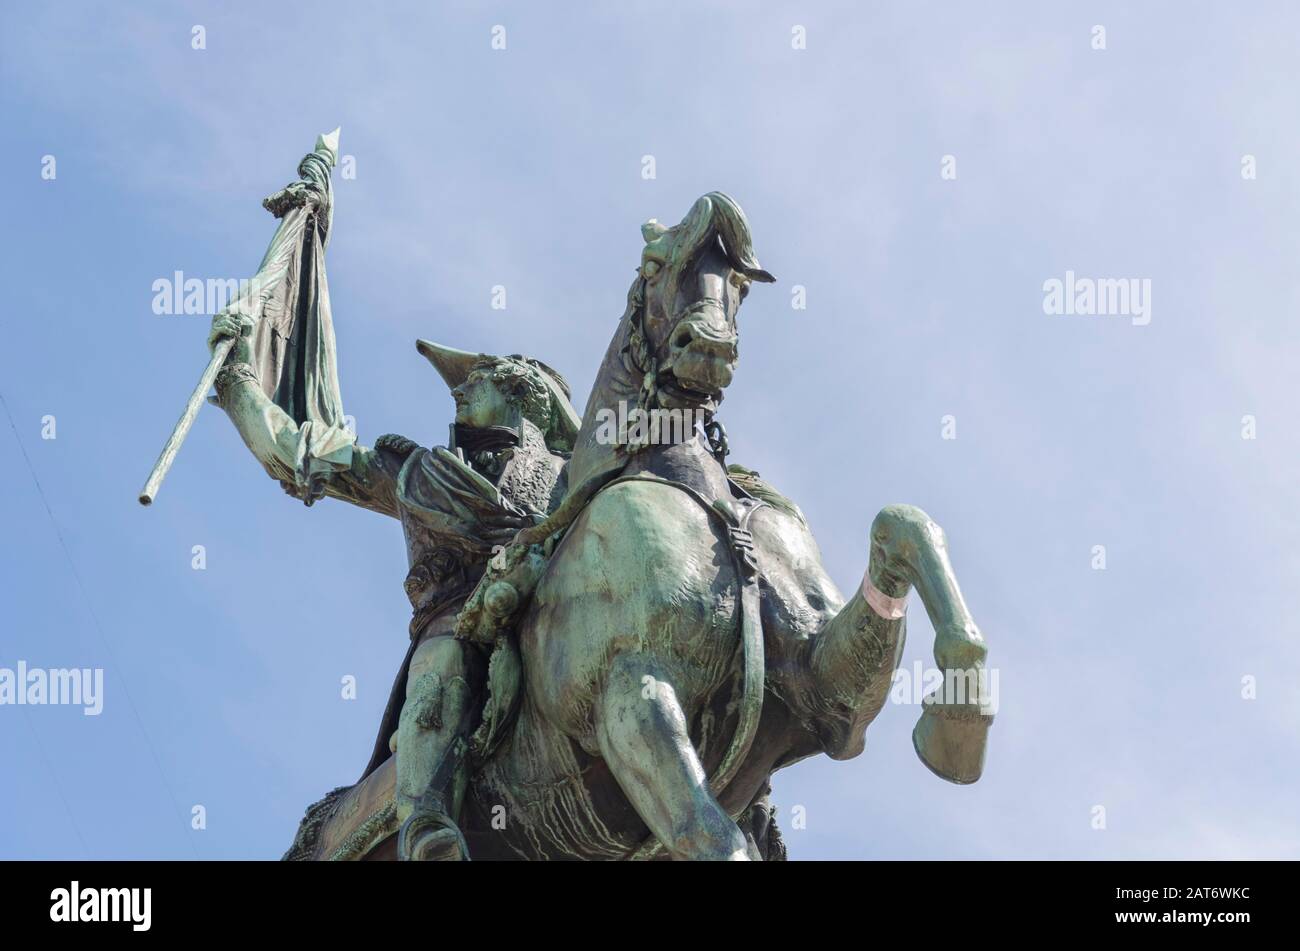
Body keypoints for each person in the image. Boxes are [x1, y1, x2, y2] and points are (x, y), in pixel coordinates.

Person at [207, 312, 579, 859]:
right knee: (441, 679)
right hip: (459, 625)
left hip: (556, 615)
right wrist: (238, 383)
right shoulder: (417, 471)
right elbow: (297, 453)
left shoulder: (577, 472)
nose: (461, 390)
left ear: (524, 394)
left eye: (477, 379)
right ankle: (428, 826)